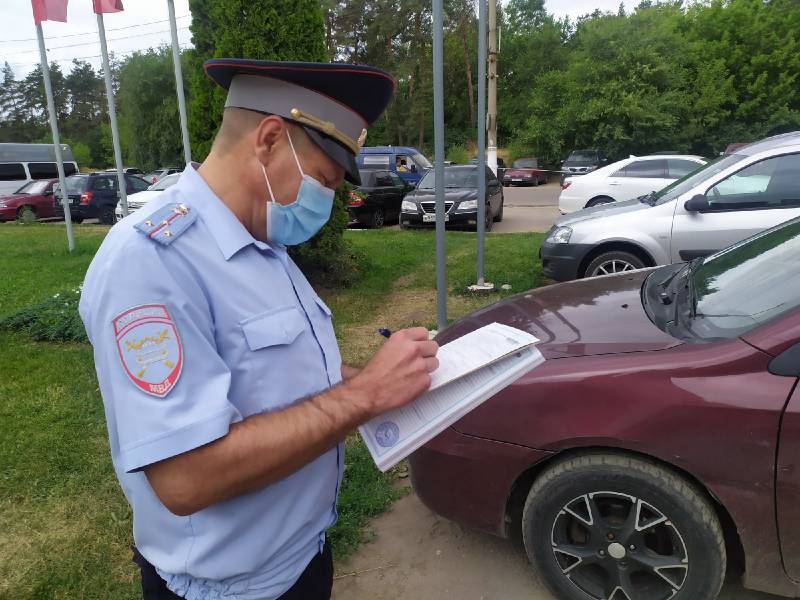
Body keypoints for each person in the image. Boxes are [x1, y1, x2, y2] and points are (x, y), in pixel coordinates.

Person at [79, 58, 439, 600]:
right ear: (270, 139)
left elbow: (283, 371)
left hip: (301, 559)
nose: (327, 199)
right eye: (323, 179)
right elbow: (185, 478)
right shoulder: (152, 260)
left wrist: (381, 381)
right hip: (229, 589)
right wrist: (364, 396)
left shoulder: (263, 243)